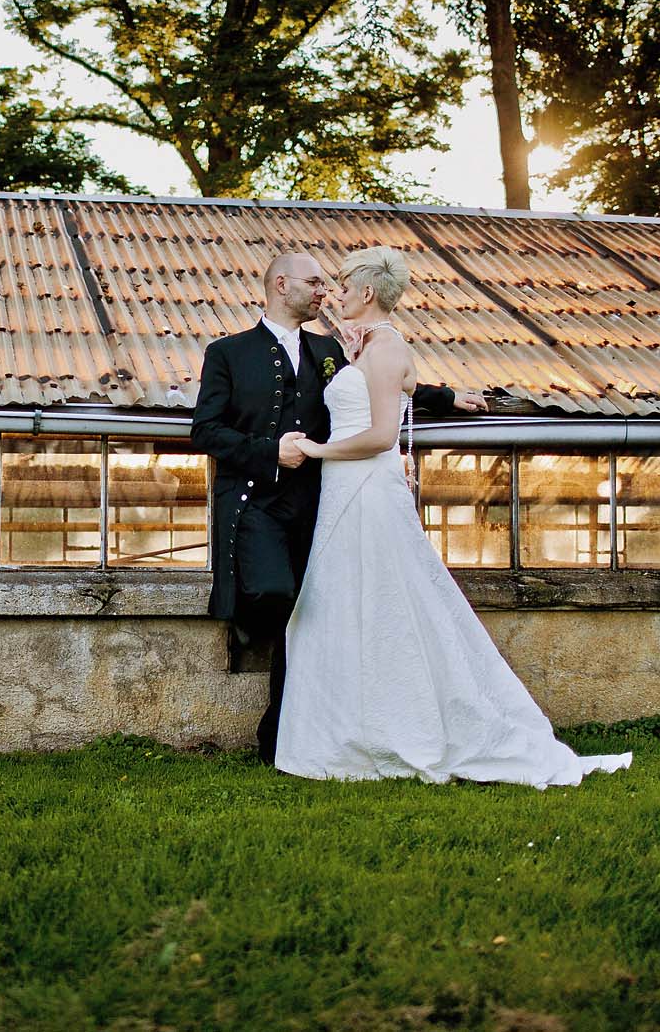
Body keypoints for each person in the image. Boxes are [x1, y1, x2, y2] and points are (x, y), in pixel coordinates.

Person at [274, 247, 631, 787]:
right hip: (349, 493)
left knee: (384, 605)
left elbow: (380, 436)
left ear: (367, 294)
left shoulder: (386, 346)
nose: (334, 295)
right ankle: (353, 729)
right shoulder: (371, 345)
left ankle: (400, 729)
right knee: (348, 605)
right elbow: (408, 389)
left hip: (366, 492)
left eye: (343, 287)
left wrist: (316, 449)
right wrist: (439, 393)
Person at [190, 252, 486, 766]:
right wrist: (268, 452)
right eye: (314, 282)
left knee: (313, 613)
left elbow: (383, 385)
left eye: (331, 283)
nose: (325, 290)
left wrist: (449, 396)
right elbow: (206, 429)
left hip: (320, 504)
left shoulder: (332, 348)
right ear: (282, 285)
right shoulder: (228, 353)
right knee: (276, 595)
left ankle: (282, 736)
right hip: (256, 503)